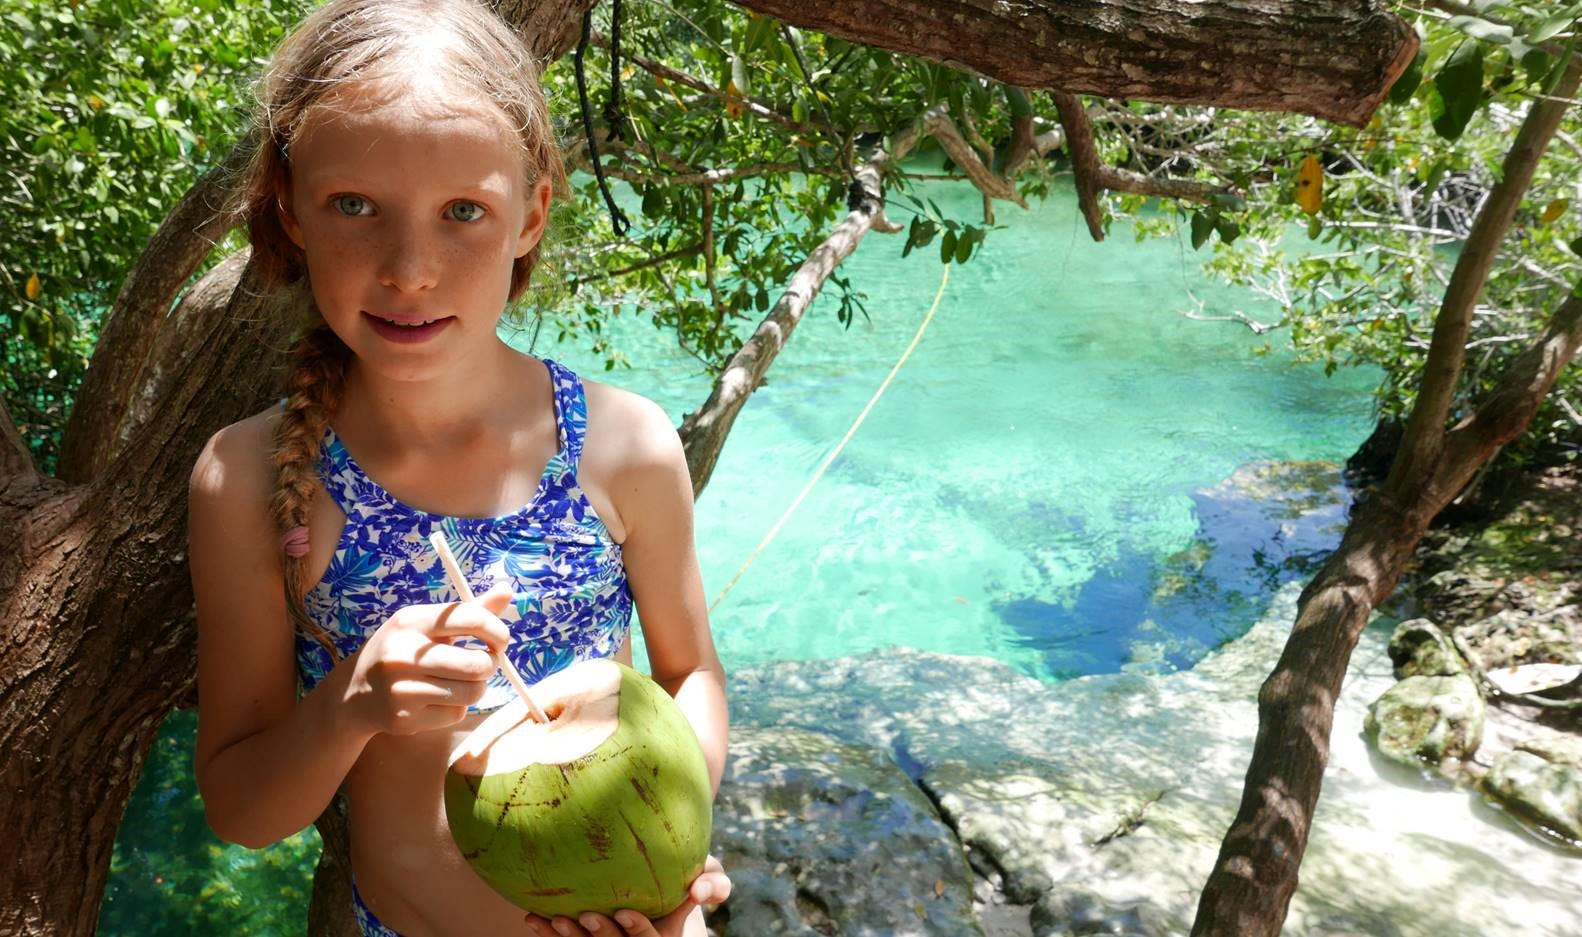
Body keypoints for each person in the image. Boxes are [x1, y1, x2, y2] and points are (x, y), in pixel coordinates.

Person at [186, 1, 731, 935]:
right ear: (291, 209)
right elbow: (242, 811)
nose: (410, 269)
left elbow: (691, 678)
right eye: (354, 204)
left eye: (464, 212)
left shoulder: (623, 444)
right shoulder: (248, 479)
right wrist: (350, 706)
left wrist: (663, 834)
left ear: (532, 216)